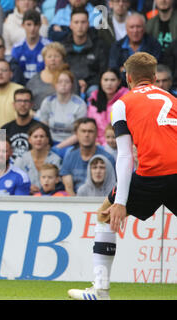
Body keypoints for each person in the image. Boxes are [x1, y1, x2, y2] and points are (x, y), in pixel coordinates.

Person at [68, 52, 177, 300]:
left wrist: (120, 202)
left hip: (151, 174)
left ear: (128, 78)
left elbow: (125, 156)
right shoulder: (172, 98)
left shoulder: (122, 104)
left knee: (104, 216)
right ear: (154, 77)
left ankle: (100, 291)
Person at [62, 6, 109, 98]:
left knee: (94, 91)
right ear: (70, 25)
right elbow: (61, 70)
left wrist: (87, 83)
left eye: (83, 22)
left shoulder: (99, 45)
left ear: (88, 24)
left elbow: (103, 71)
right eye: (76, 22)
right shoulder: (63, 46)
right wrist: (75, 82)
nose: (80, 26)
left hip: (92, 85)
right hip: (69, 84)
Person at [60, 117, 116, 196]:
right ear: (76, 134)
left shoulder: (107, 158)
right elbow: (68, 187)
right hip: (76, 200)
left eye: (90, 131)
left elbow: (112, 185)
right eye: (83, 131)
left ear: (96, 134)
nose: (86, 135)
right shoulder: (70, 156)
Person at [37, 68, 87, 154]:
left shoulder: (80, 104)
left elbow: (80, 133)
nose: (63, 84)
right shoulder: (48, 102)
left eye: (67, 82)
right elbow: (43, 127)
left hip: (71, 145)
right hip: (50, 143)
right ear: (55, 84)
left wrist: (58, 147)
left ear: (71, 84)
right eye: (60, 82)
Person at [26, 42, 78, 110]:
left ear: (62, 59)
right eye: (49, 56)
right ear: (44, 60)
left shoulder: (69, 78)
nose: (53, 59)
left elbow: (75, 99)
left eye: (56, 56)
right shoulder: (34, 80)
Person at [14, 122, 62, 194]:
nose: (39, 139)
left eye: (42, 136)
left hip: (50, 197)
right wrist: (27, 187)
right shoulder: (21, 160)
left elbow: (59, 182)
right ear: (29, 140)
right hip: (25, 198)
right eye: (35, 136)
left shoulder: (55, 159)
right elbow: (15, 181)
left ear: (47, 140)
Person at [87, 68, 129, 145]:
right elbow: (90, 126)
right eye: (106, 80)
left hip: (120, 144)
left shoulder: (126, 99)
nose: (109, 83)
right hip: (97, 145)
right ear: (100, 81)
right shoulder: (93, 100)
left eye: (112, 80)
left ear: (119, 82)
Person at [0, 88, 41, 162]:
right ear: (14, 105)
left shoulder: (40, 128)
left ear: (32, 104)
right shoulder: (4, 129)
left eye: (26, 101)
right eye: (19, 101)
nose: (22, 104)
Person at [11, 9, 51, 84]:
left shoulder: (49, 46)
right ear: (22, 25)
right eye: (29, 24)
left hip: (43, 87)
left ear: (40, 25)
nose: (32, 28)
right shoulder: (17, 48)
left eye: (35, 25)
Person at [0, 59, 25, 135]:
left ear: (11, 74)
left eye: (4, 70)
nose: (0, 73)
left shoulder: (20, 90)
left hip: (12, 137)